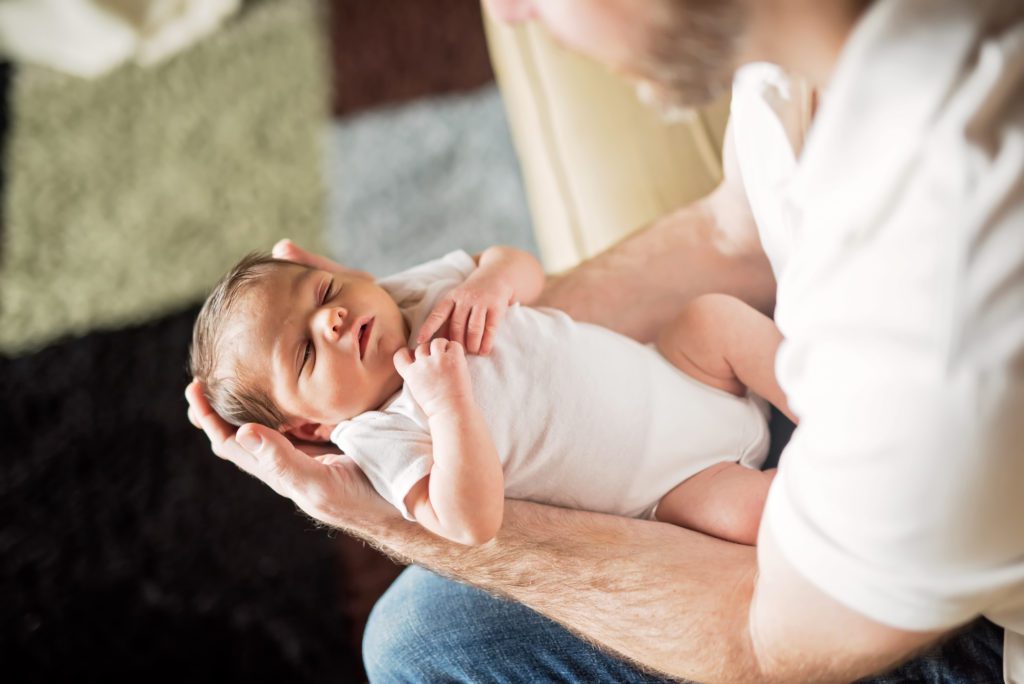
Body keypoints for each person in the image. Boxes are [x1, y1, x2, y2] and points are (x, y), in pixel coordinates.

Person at [186, 0, 1024, 680]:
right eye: (306, 349)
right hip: (695, 457)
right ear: (306, 425)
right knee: (410, 628)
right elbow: (735, 230)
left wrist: (366, 514)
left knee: (417, 646)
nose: (507, 15)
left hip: (943, 599)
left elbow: (765, 638)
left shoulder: (946, 327)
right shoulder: (808, 53)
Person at [189, 245, 790, 547]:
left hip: (681, 370)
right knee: (758, 516)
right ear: (312, 429)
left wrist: (492, 282)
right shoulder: (379, 434)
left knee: (713, 320)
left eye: (323, 290)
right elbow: (468, 522)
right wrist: (448, 405)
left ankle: (830, 405)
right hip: (678, 484)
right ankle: (847, 472)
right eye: (306, 353)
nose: (333, 320)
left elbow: (520, 265)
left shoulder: (413, 294)